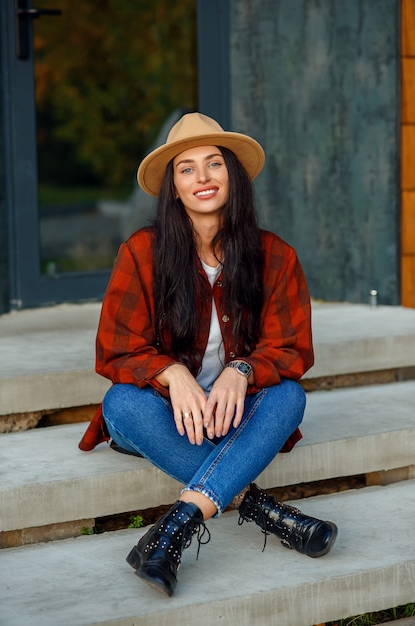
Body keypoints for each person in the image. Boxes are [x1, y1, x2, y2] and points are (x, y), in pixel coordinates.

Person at [79, 112, 338, 598]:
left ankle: (177, 524)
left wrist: (243, 369)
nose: (202, 177)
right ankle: (261, 510)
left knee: (289, 398)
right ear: (173, 188)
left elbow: (292, 348)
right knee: (120, 404)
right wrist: (171, 372)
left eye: (214, 163)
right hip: (161, 417)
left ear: (232, 177)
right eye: (186, 168)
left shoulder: (275, 256)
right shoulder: (141, 252)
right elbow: (116, 350)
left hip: (233, 416)